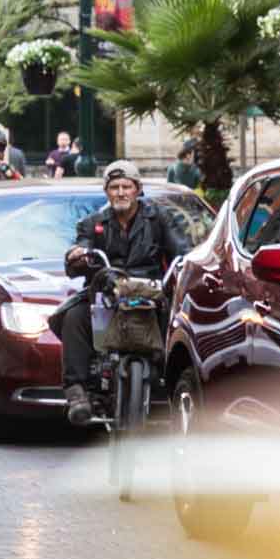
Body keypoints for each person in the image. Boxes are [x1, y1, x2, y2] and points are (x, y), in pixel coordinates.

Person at [53, 160, 189, 427]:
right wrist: (77, 255)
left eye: (126, 186)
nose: (121, 192)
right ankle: (77, 392)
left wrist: (184, 262)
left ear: (137, 189)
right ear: (106, 192)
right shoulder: (92, 223)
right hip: (106, 294)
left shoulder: (159, 218)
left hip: (150, 294)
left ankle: (175, 385)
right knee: (72, 316)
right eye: (114, 187)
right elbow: (78, 253)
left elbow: (181, 251)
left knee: (181, 321)